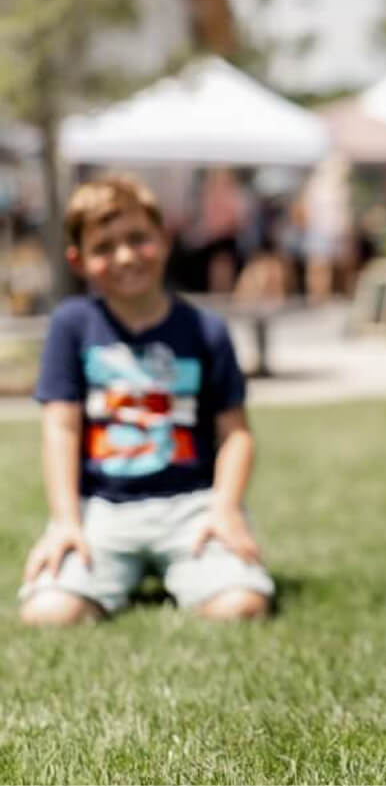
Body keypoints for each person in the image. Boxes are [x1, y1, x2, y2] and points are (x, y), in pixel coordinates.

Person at [18, 173, 274, 625]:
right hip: (102, 511)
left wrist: (226, 508)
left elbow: (236, 436)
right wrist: (66, 521)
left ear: (165, 238)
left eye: (138, 238)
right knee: (49, 613)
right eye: (103, 247)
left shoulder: (206, 330)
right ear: (78, 260)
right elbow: (60, 428)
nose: (124, 256)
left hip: (192, 507)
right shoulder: (71, 326)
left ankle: (196, 570)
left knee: (241, 606)